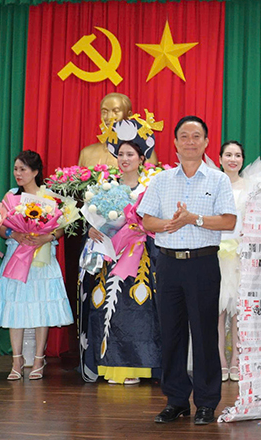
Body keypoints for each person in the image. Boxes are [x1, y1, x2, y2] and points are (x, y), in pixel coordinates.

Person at [138, 116, 236, 425]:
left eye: (196, 136)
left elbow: (229, 221)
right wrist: (170, 224)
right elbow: (146, 220)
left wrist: (193, 219)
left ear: (206, 142)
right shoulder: (162, 180)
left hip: (202, 264)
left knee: (205, 334)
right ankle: (176, 400)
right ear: (175, 143)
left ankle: (206, 402)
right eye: (184, 136)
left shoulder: (218, 180)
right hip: (168, 263)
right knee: (171, 333)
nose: (190, 141)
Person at [79, 122, 161, 385]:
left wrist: (140, 228)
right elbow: (93, 218)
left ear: (141, 159)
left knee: (137, 309)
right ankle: (110, 365)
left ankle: (138, 366)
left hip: (141, 257)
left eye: (130, 154)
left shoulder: (151, 187)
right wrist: (92, 229)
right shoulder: (105, 188)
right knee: (106, 307)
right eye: (121, 154)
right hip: (110, 255)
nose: (125, 159)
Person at [0, 150, 74, 381]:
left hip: (41, 258)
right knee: (15, 306)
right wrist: (14, 234)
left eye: (23, 169)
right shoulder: (11, 195)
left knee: (42, 306)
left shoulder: (49, 196)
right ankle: (16, 360)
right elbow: (0, 225)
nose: (18, 173)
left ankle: (39, 358)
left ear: (36, 172)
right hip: (16, 255)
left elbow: (61, 227)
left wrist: (46, 237)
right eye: (16, 169)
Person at [216, 141, 245, 382]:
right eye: (228, 155)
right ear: (220, 158)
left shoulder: (250, 187)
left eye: (237, 155)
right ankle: (220, 361)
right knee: (217, 311)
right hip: (214, 253)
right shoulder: (213, 184)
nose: (232, 159)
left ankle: (236, 360)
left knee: (238, 312)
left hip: (240, 255)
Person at [77, 93, 158, 168]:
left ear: (129, 115)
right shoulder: (86, 153)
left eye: (116, 111)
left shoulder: (145, 151)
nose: (109, 117)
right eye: (104, 112)